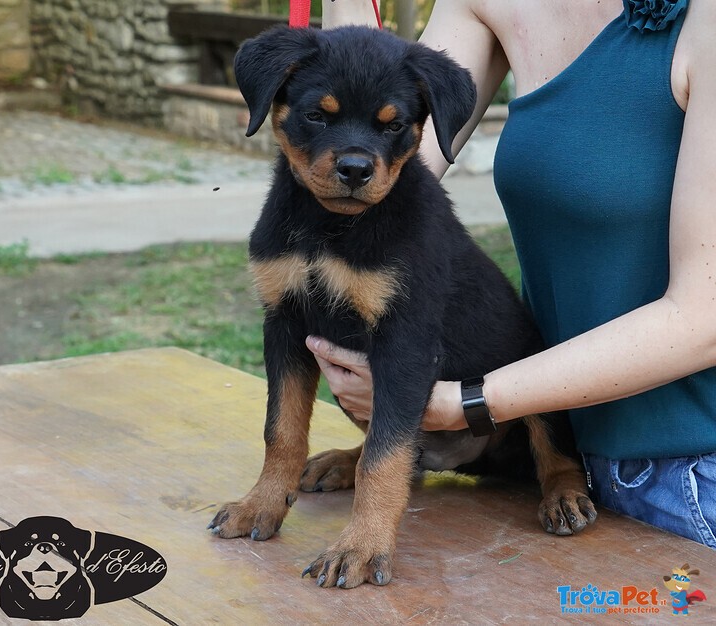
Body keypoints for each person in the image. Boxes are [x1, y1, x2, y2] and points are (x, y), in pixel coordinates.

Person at [307, 0, 716, 548]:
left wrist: (465, 403)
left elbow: (704, 317)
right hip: (545, 467)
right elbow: (379, 183)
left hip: (691, 479)